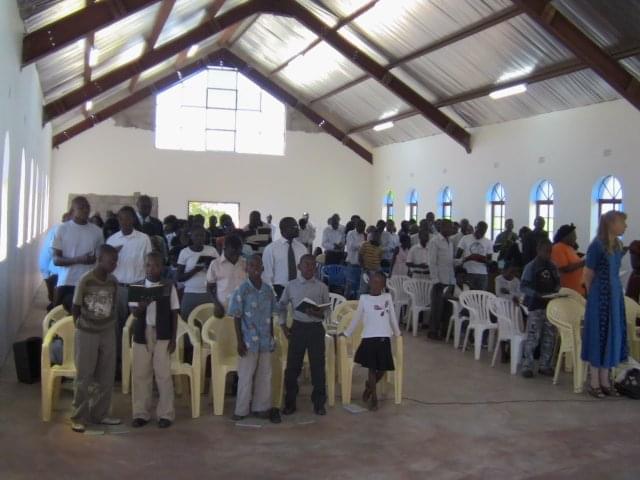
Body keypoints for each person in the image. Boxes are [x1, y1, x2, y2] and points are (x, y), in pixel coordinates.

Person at [70, 244, 121, 433]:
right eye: (111, 261)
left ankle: (100, 414)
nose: (114, 264)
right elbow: (75, 307)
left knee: (106, 376)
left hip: (107, 331)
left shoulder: (113, 281)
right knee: (84, 376)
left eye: (116, 261)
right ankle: (78, 416)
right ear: (99, 260)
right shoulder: (86, 280)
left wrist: (108, 324)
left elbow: (114, 306)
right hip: (87, 332)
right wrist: (81, 326)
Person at [228, 255, 281, 423]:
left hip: (265, 339)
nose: (255, 268)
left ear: (263, 268)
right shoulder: (242, 290)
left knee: (265, 374)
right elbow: (236, 317)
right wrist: (239, 341)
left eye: (258, 265)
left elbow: (271, 315)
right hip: (248, 341)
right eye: (251, 265)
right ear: (247, 269)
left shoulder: (268, 290)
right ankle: (241, 409)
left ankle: (261, 407)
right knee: (245, 375)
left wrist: (271, 337)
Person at [130, 251, 180, 428]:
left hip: (163, 335)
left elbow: (174, 313)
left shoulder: (168, 286)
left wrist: (173, 338)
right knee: (140, 374)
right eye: (149, 265)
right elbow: (135, 313)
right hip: (142, 335)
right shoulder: (136, 287)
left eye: (157, 265)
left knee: (163, 375)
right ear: (144, 267)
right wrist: (142, 305)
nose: (152, 268)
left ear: (162, 267)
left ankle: (166, 414)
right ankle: (140, 413)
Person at [582, 211, 628, 398]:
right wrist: (594, 297)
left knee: (612, 335)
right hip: (600, 298)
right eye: (622, 222)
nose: (625, 226)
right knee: (598, 336)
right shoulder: (596, 246)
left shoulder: (617, 245)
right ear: (611, 224)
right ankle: (594, 382)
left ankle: (605, 380)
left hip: (614, 297)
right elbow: (588, 274)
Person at [279, 254, 330, 416]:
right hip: (298, 328)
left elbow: (327, 311)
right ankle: (290, 402)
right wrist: (283, 326)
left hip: (316, 328)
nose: (309, 267)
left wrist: (317, 313)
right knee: (293, 367)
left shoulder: (322, 287)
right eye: (306, 264)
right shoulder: (291, 286)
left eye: (313, 265)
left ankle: (319, 403)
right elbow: (281, 306)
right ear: (299, 267)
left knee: (318, 367)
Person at [343, 271, 401, 411]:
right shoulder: (364, 298)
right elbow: (357, 318)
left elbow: (392, 316)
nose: (376, 285)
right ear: (369, 283)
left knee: (383, 368)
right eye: (373, 282)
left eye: (379, 283)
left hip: (384, 336)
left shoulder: (387, 297)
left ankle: (369, 386)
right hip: (369, 337)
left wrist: (397, 332)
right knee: (372, 368)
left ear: (383, 285)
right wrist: (346, 333)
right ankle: (374, 398)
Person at [106, 206, 153, 374]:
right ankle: (118, 364)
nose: (124, 221)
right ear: (118, 220)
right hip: (117, 287)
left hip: (137, 286)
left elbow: (149, 263)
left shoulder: (143, 239)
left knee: (136, 325)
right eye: (121, 218)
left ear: (133, 219)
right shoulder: (112, 240)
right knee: (116, 327)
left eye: (127, 218)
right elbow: (106, 266)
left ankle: (136, 365)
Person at [53, 196, 104, 308]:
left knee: (86, 315)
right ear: (73, 210)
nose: (85, 210)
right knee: (62, 315)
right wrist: (78, 259)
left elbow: (100, 257)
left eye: (87, 207)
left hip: (88, 282)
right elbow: (56, 260)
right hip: (67, 281)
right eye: (81, 208)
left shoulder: (97, 231)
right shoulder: (62, 229)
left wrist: (95, 259)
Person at [520, 238, 560, 378]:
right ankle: (527, 366)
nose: (548, 254)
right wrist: (536, 294)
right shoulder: (531, 267)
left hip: (550, 307)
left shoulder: (553, 266)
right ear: (538, 250)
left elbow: (557, 283)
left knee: (549, 337)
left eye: (550, 251)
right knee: (533, 337)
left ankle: (545, 365)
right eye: (545, 251)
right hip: (536, 306)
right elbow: (523, 286)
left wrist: (556, 292)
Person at [177, 225, 219, 320]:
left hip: (208, 293)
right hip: (190, 292)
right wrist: (195, 270)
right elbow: (179, 277)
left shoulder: (211, 250)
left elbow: (220, 271)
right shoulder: (185, 252)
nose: (199, 238)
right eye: (196, 235)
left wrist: (210, 268)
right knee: (187, 320)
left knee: (209, 323)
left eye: (202, 235)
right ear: (191, 236)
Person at [262, 217, 307, 300]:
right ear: (283, 229)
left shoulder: (302, 248)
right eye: (294, 227)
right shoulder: (271, 249)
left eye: (297, 226)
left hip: (299, 290)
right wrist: (273, 294)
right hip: (279, 290)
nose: (298, 229)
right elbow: (267, 275)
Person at [427, 219, 456, 340]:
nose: (451, 229)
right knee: (437, 308)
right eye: (449, 227)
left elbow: (449, 261)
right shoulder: (435, 241)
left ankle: (445, 331)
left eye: (451, 227)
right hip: (439, 280)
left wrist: (461, 261)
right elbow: (432, 262)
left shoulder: (450, 242)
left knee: (448, 308)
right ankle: (433, 331)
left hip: (450, 280)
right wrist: (435, 280)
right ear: (442, 227)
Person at [207, 235, 247, 319]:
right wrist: (216, 304)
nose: (236, 256)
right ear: (224, 248)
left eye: (238, 253)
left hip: (244, 308)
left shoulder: (245, 263)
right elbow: (209, 287)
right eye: (233, 253)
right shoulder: (215, 264)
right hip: (224, 308)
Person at [39, 212, 70, 310]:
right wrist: (46, 276)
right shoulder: (56, 232)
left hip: (63, 275)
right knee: (57, 303)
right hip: (57, 273)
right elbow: (46, 254)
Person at [456, 221, 493, 291]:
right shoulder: (465, 238)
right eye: (479, 231)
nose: (480, 234)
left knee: (481, 295)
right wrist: (468, 258)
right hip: (468, 271)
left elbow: (489, 260)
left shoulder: (488, 242)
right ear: (475, 228)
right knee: (468, 294)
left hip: (482, 273)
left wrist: (480, 258)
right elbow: (457, 256)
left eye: (483, 232)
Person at [551, 224, 586, 295]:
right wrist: (583, 263)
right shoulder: (558, 248)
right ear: (566, 236)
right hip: (568, 291)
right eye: (573, 235)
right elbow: (564, 269)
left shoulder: (569, 248)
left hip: (578, 289)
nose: (575, 238)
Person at [345, 219, 366, 298]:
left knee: (358, 285)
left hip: (360, 264)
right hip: (352, 263)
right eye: (362, 227)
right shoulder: (351, 233)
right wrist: (363, 245)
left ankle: (356, 301)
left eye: (364, 227)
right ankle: (346, 300)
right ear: (357, 226)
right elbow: (351, 246)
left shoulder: (363, 235)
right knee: (349, 284)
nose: (363, 229)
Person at [358, 229, 383, 295]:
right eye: (375, 236)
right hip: (366, 270)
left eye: (378, 237)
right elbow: (360, 257)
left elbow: (379, 259)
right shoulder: (365, 244)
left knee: (373, 290)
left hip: (376, 271)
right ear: (372, 236)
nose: (377, 238)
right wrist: (364, 268)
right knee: (363, 290)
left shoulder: (380, 247)